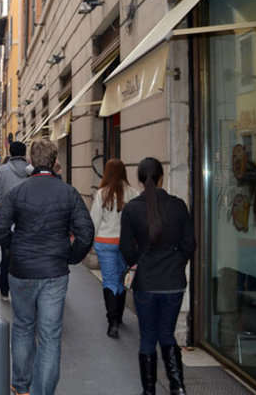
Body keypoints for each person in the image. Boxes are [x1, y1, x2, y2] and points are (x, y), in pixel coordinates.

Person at [0, 139, 94, 395]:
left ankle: (21, 387)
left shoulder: (18, 193)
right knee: (49, 336)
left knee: (23, 327)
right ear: (54, 160)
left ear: (32, 162)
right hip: (54, 272)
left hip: (22, 270)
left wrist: (15, 247)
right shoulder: (68, 192)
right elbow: (86, 231)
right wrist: (70, 256)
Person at [120, 157, 195, 395]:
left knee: (148, 337)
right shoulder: (178, 205)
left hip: (147, 282)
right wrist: (176, 262)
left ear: (140, 180)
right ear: (162, 177)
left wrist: (139, 261)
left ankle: (149, 390)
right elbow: (189, 244)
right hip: (173, 282)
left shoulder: (131, 209)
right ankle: (178, 387)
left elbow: (126, 249)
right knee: (167, 334)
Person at [90, 159, 140, 339]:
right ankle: (118, 316)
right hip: (125, 244)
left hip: (105, 243)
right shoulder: (133, 193)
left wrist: (89, 243)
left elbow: (94, 221)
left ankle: (112, 322)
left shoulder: (102, 194)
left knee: (109, 280)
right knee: (120, 279)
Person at [0, 141, 32, 300]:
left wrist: (1, 211)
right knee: (26, 256)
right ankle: (23, 291)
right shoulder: (31, 171)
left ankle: (4, 290)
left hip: (8, 221)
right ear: (24, 153)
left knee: (6, 255)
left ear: (10, 151)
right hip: (28, 221)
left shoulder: (3, 170)